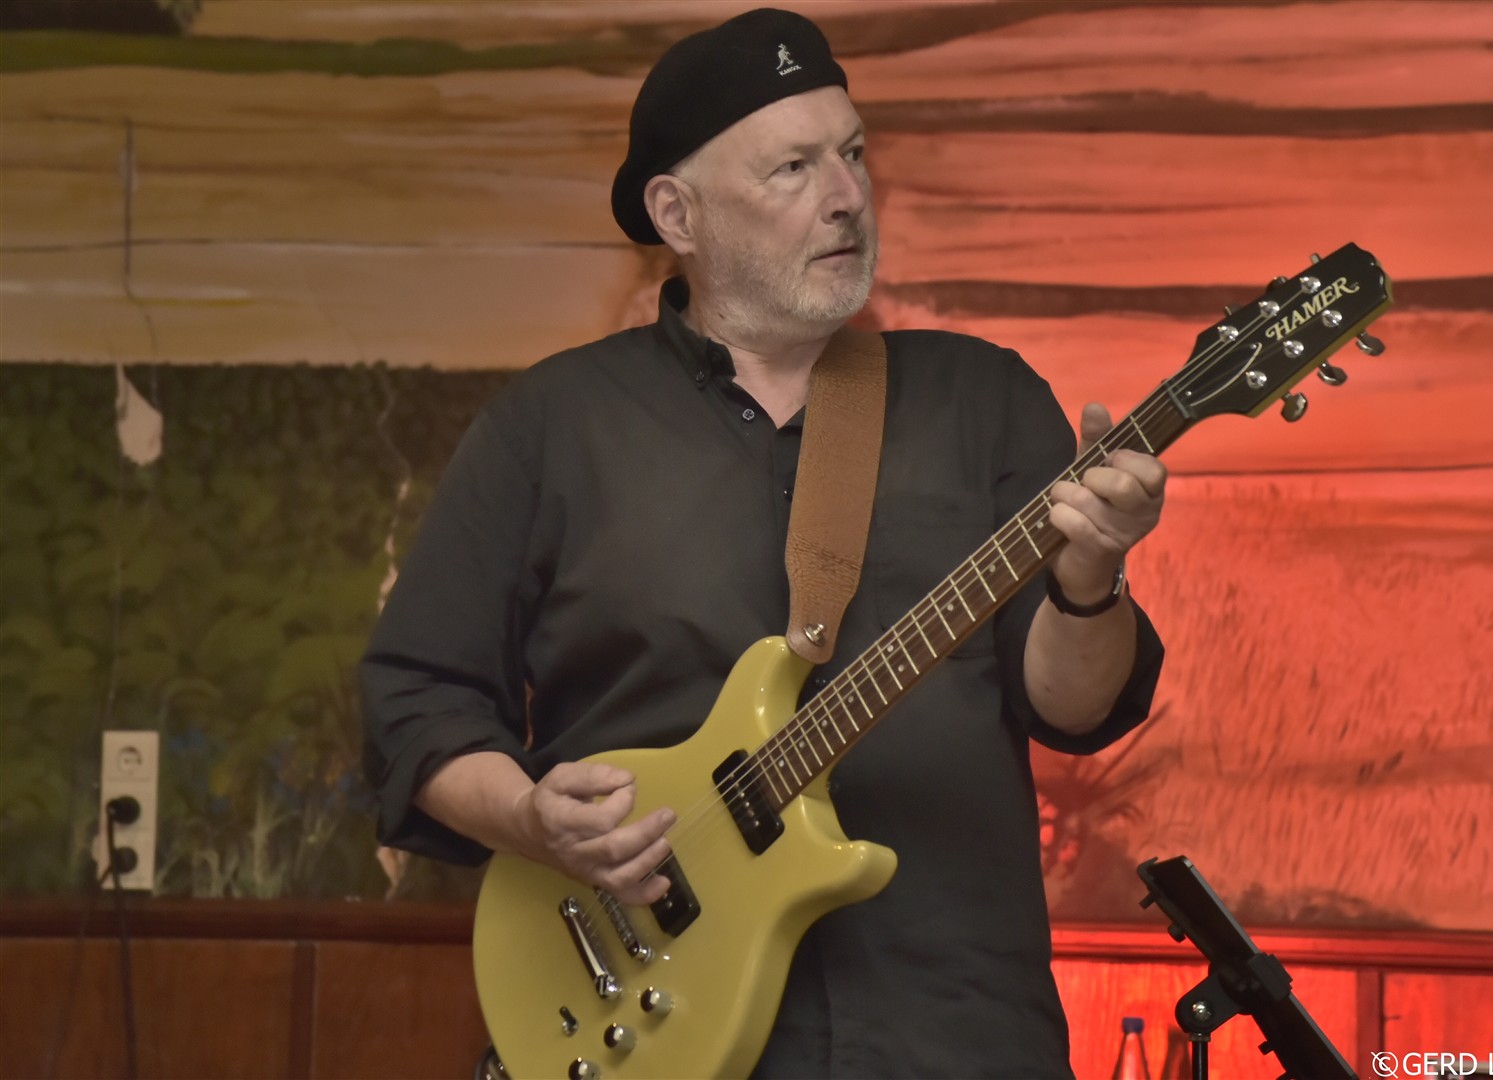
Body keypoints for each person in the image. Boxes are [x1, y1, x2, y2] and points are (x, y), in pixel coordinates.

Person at [360, 8, 1167, 1077]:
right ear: (677, 213)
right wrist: (528, 818)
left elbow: (1074, 707)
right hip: (646, 1020)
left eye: (853, 154)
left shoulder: (985, 401)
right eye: (793, 168)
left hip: (946, 1030)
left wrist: (1089, 579)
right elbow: (416, 699)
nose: (846, 196)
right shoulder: (551, 427)